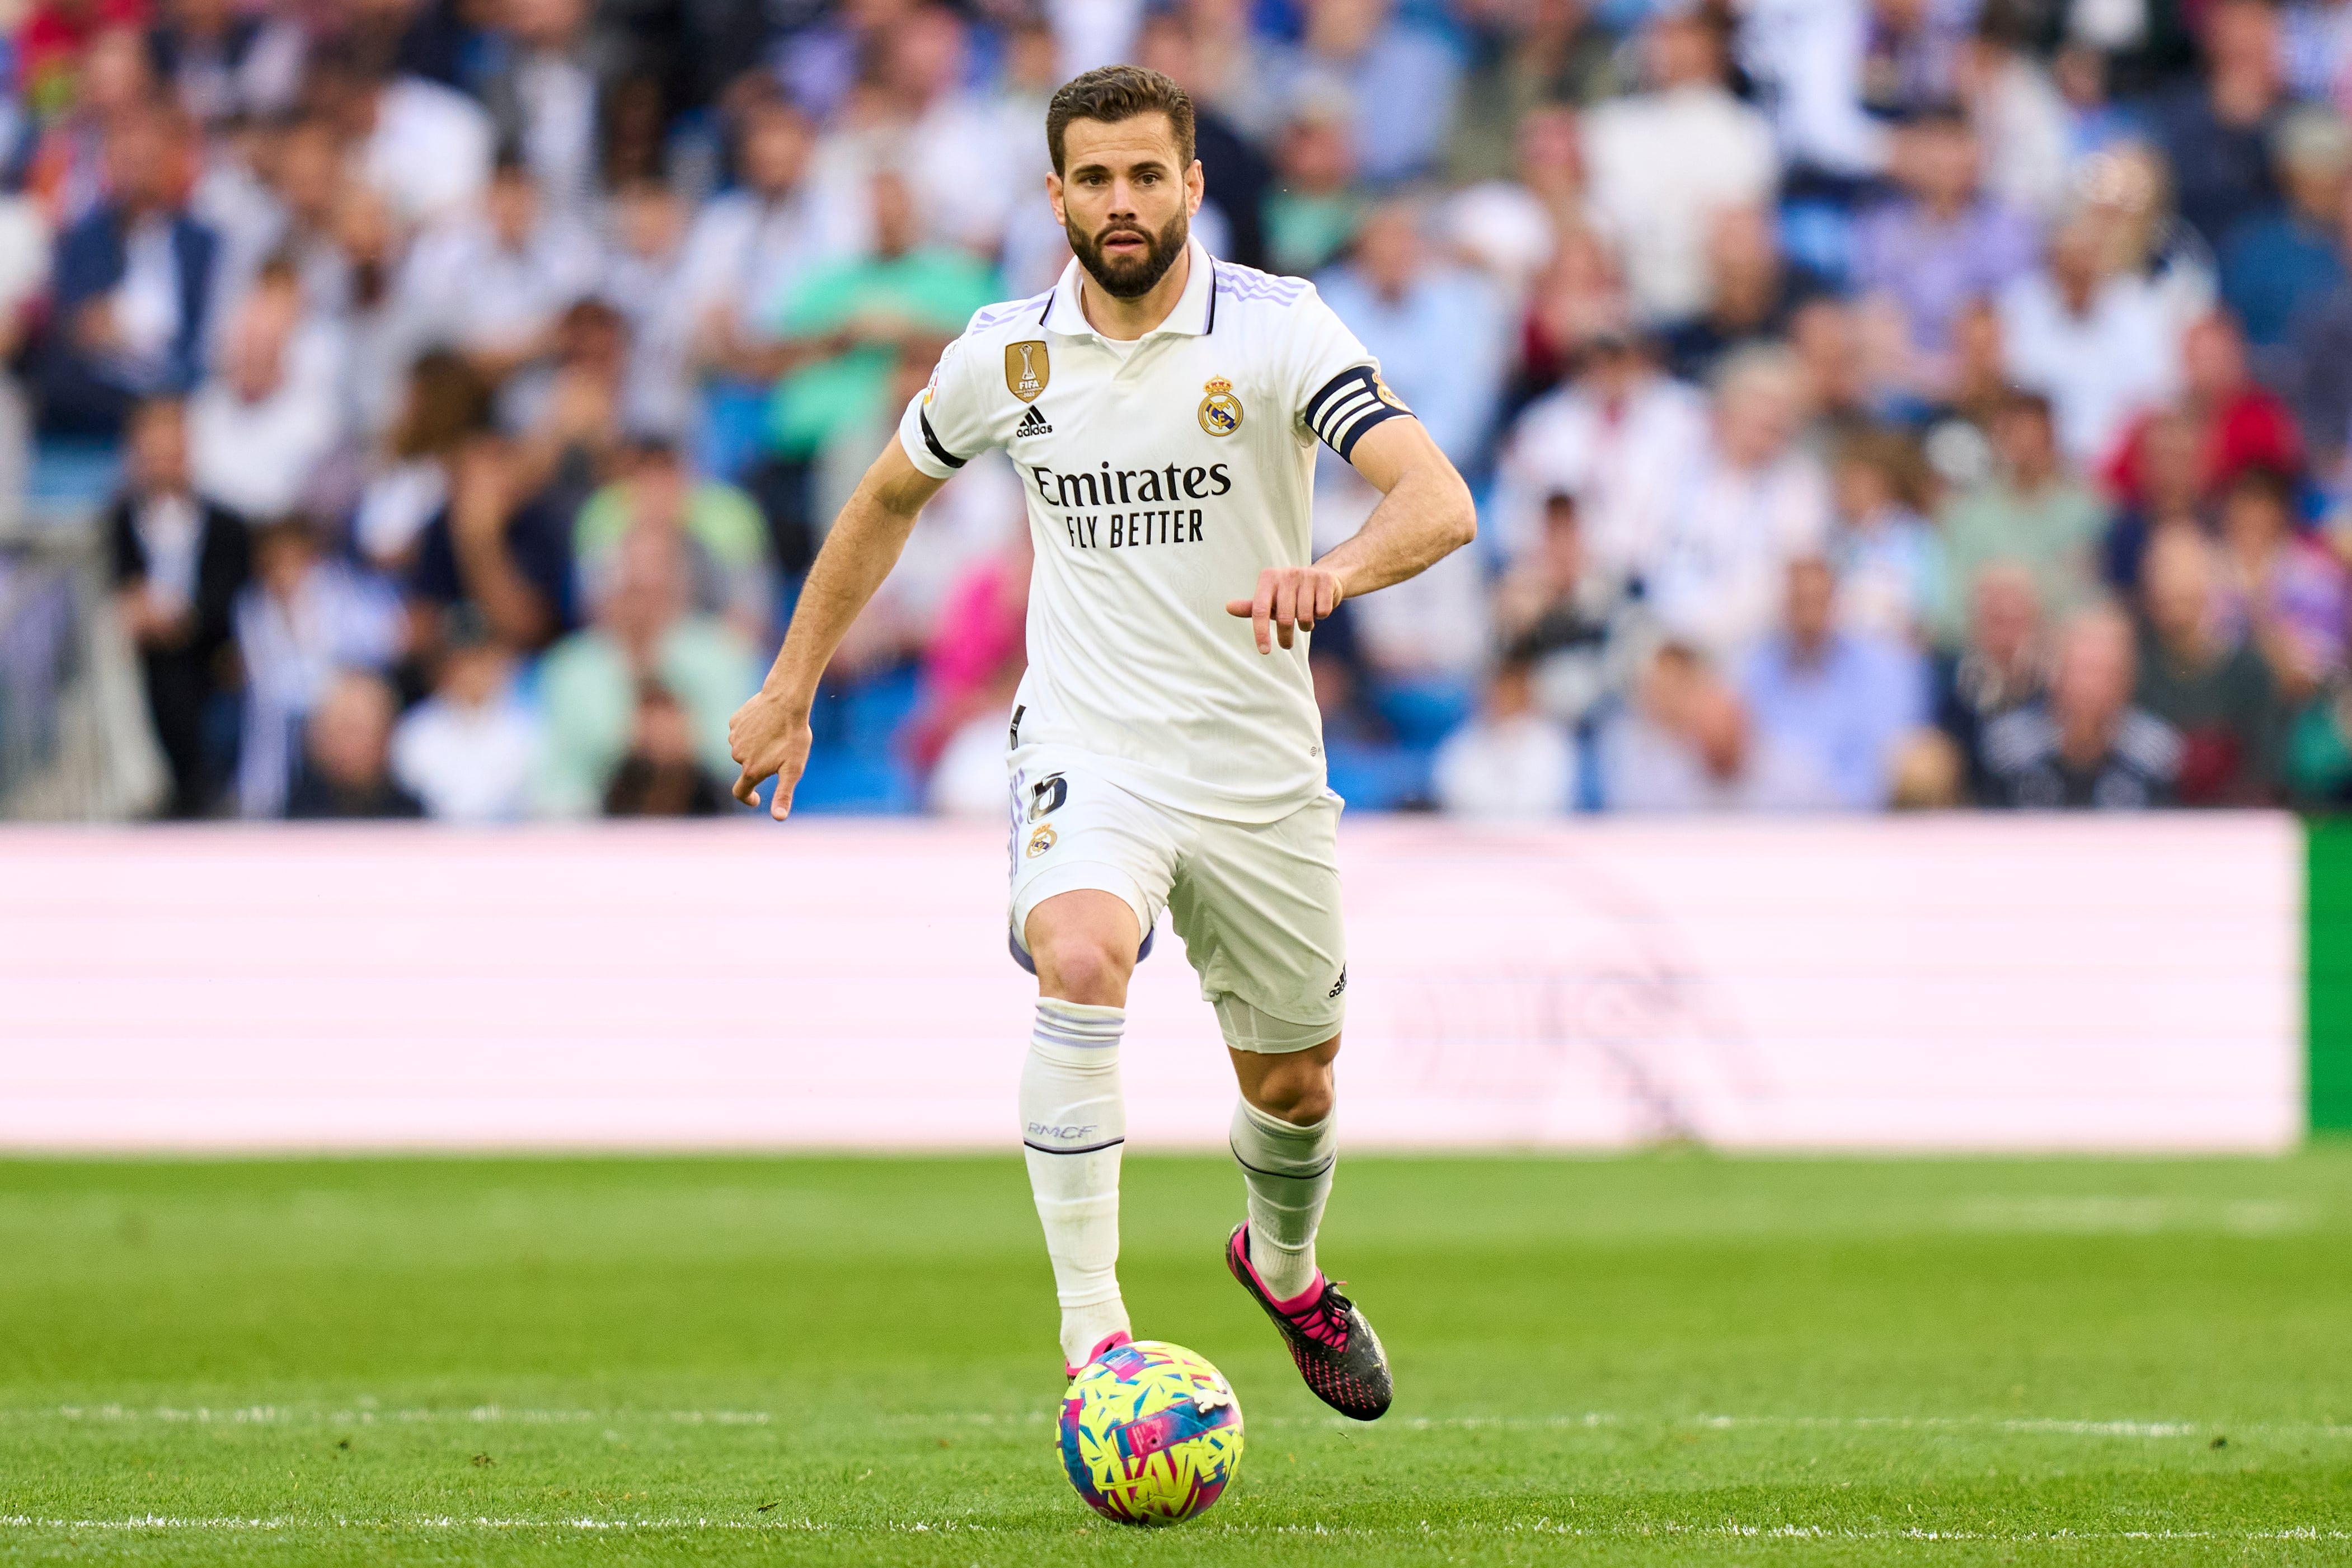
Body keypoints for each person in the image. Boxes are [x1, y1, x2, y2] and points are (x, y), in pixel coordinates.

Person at [725, 67, 1476, 1417]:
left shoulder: (1279, 329)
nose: (1120, 203)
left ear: (1193, 186)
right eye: (1094, 178)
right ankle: (1098, 1346)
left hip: (1255, 760)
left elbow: (1436, 500)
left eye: (1146, 175)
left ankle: (1284, 1267)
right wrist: (792, 684)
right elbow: (887, 497)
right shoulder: (1004, 352)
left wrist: (1337, 574)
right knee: (1079, 954)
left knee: (1295, 1084)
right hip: (1089, 734)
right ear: (1055, 193)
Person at [106, 398, 250, 818]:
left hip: (210, 661)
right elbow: (107, 597)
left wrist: (175, 618)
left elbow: (229, 604)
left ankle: (187, 799)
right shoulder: (112, 525)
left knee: (180, 682)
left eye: (173, 453)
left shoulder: (228, 526)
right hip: (133, 667)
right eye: (154, 454)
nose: (165, 465)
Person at [1983, 605, 2181, 808]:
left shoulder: (2154, 752)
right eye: (2081, 669)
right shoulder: (2009, 747)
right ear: (2054, 674)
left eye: (2103, 672)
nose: (2089, 686)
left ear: (2127, 680)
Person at [1430, 652, 1576, 816]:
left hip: (1539, 834)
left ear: (1526, 695)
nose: (1504, 700)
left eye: (1512, 692)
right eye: (1499, 692)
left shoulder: (1552, 742)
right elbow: (1453, 793)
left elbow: (1550, 797)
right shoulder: (1464, 741)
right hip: (1476, 834)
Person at [284, 670, 426, 819]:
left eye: (356, 731)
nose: (346, 745)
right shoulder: (293, 816)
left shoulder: (410, 818)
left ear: (387, 735)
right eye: (337, 731)